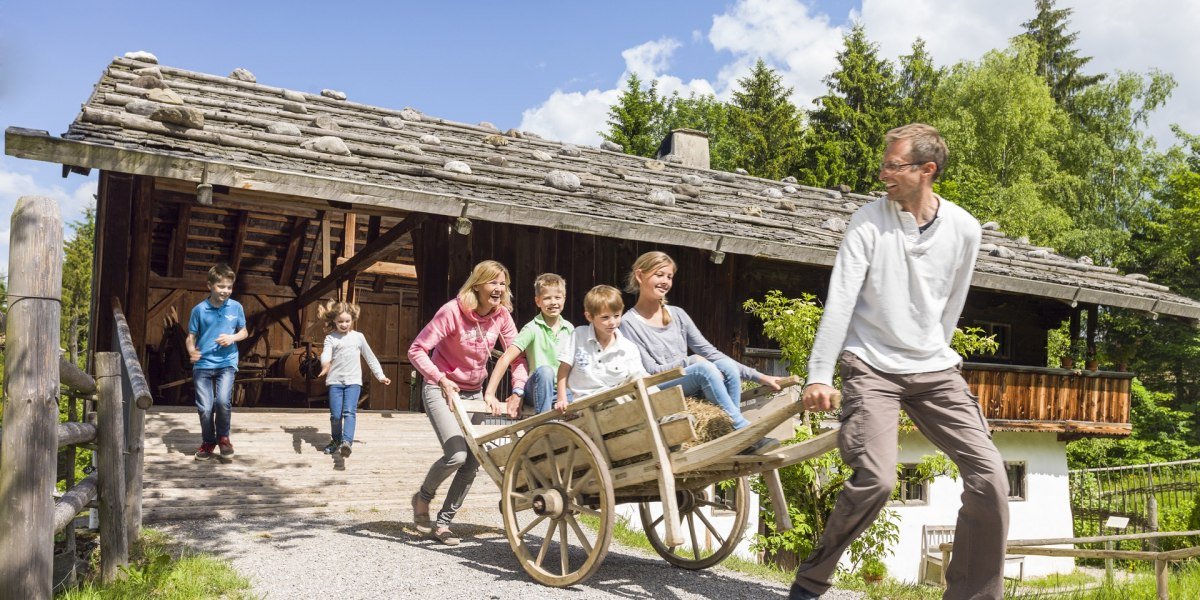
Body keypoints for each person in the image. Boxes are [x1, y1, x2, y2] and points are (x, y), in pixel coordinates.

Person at [789, 124, 1008, 600]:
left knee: (991, 478)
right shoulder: (868, 221)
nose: (883, 172)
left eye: (894, 164)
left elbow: (952, 303)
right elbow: (840, 299)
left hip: (934, 368)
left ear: (927, 170)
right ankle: (810, 581)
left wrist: (934, 351)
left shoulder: (965, 228)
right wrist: (820, 374)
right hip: (869, 363)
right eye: (884, 163)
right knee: (877, 479)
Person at [407, 260, 528, 546]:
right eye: (493, 282)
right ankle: (422, 498)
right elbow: (416, 350)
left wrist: (518, 390)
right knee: (457, 455)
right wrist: (439, 378)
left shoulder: (501, 316)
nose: (498, 289)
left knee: (474, 460)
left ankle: (444, 523)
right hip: (441, 389)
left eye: (503, 283)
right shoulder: (452, 312)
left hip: (475, 393)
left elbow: (518, 357)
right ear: (478, 284)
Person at [619, 251, 782, 453]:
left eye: (669, 277)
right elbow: (651, 370)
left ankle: (733, 433)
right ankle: (742, 432)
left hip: (687, 378)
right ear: (640, 275)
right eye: (659, 275)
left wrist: (759, 376)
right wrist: (690, 362)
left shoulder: (677, 314)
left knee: (726, 365)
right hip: (660, 386)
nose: (665, 282)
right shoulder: (628, 323)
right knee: (703, 369)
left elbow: (710, 352)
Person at [483, 273, 573, 416]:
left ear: (564, 299)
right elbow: (506, 358)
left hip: (561, 391)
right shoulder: (532, 328)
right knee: (545, 371)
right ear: (538, 301)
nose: (553, 302)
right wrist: (490, 393)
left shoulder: (569, 329)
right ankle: (544, 424)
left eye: (557, 297)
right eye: (547, 298)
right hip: (537, 387)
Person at [186, 263, 248, 461]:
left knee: (222, 401)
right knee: (205, 408)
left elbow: (244, 332)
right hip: (203, 365)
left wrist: (232, 338)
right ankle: (208, 441)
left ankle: (223, 438)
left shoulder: (236, 307)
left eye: (229, 287)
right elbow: (190, 337)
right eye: (221, 287)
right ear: (210, 286)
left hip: (227, 363)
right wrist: (191, 351)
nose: (226, 291)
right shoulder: (199, 310)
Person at [316, 300, 392, 458]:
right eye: (340, 322)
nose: (344, 324)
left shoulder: (359, 337)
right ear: (334, 321)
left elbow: (370, 357)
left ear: (352, 320)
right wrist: (325, 365)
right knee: (335, 415)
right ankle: (336, 440)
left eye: (347, 321)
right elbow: (326, 354)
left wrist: (381, 376)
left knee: (349, 412)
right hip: (335, 382)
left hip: (353, 382)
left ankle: (346, 443)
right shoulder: (331, 338)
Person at [554, 285, 647, 409]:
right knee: (620, 397)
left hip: (619, 399)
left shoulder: (628, 348)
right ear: (589, 317)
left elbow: (640, 377)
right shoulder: (579, 336)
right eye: (605, 317)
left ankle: (668, 415)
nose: (612, 322)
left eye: (617, 316)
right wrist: (562, 399)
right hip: (589, 403)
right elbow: (564, 369)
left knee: (640, 379)